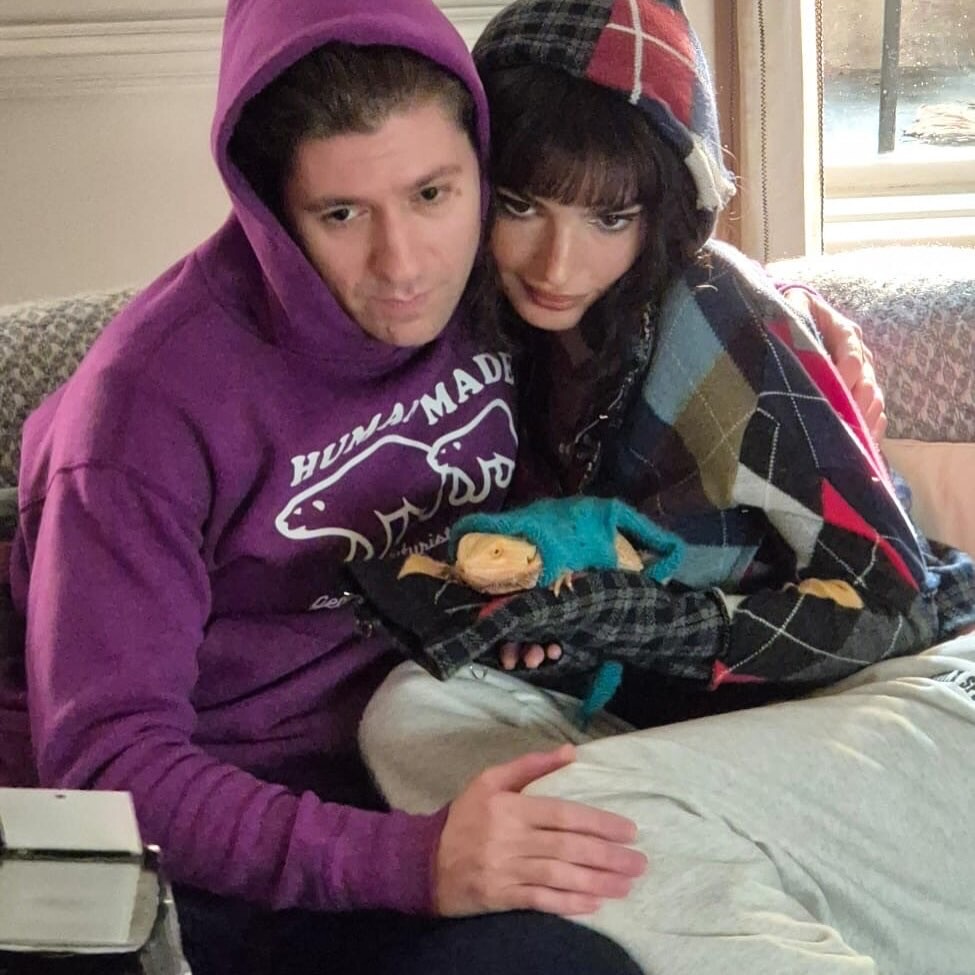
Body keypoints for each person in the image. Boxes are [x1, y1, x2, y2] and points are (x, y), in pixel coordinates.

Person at [0, 0, 898, 971]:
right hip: (213, 839)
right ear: (267, 207)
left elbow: (636, 245)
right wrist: (410, 863)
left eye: (433, 194)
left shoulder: (499, 288)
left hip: (435, 749)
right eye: (341, 214)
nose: (403, 266)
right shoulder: (140, 414)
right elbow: (111, 764)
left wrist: (792, 325)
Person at [358, 1, 975, 972]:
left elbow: (891, 602)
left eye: (611, 217)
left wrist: (630, 619)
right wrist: (551, 629)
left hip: (916, 694)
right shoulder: (490, 331)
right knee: (408, 714)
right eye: (522, 204)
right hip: (725, 727)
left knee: (569, 814)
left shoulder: (715, 307)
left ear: (664, 214)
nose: (559, 263)